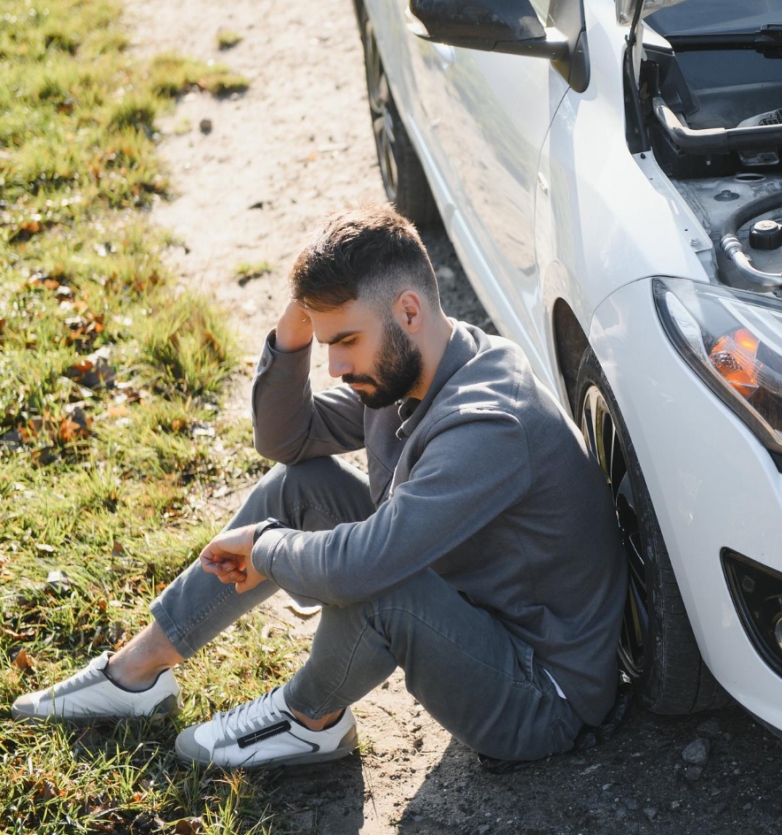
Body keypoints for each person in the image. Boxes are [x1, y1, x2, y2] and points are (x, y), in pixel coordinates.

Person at [12, 204, 627, 769]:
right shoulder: (413, 364)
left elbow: (363, 568)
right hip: (473, 606)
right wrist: (295, 331)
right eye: (327, 343)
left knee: (377, 580)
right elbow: (289, 440)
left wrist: (265, 548)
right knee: (300, 486)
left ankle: (312, 719)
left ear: (409, 311)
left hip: (539, 693)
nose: (334, 366)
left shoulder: (488, 425)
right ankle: (137, 673)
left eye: (345, 341)